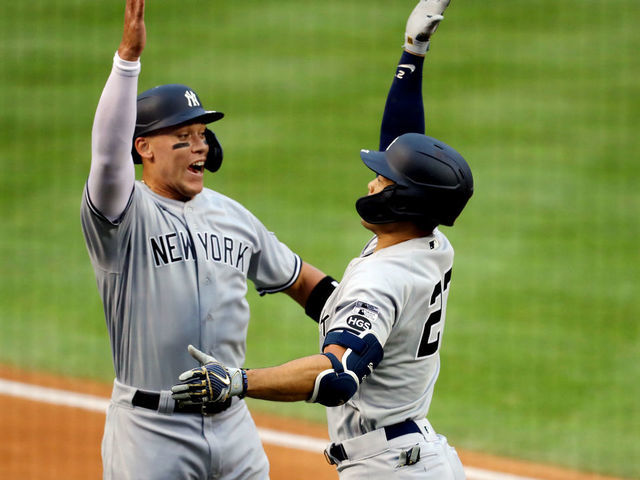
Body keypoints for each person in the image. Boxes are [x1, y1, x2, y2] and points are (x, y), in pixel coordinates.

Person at [171, 1, 473, 479]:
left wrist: (238, 381)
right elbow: (406, 148)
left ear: (405, 205)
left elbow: (336, 376)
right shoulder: (426, 244)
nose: (372, 182)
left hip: (389, 470)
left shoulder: (382, 280)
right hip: (410, 456)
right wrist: (412, 53)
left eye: (384, 181)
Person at [80, 0, 338, 478]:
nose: (199, 145)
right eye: (183, 135)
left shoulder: (233, 216)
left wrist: (356, 318)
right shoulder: (122, 216)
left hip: (233, 421)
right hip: (151, 433)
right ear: (144, 148)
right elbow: (107, 156)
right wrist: (127, 61)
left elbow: (300, 278)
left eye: (202, 134)